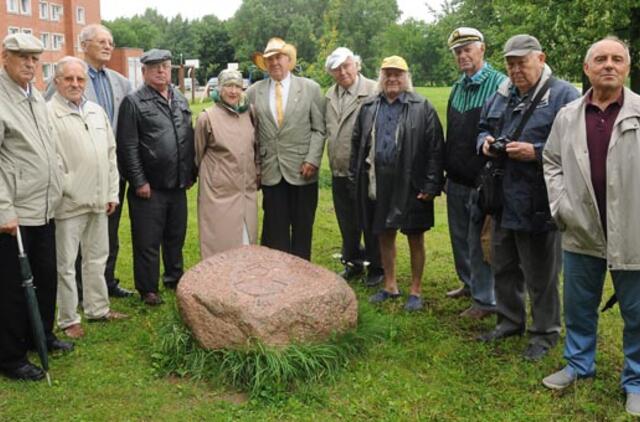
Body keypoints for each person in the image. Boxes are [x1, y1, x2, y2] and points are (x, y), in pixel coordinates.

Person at [541, 37, 640, 416]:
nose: (609, 65)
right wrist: (561, 204)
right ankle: (579, 364)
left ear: (627, 68)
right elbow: (551, 160)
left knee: (637, 311)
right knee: (579, 305)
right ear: (587, 69)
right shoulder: (568, 115)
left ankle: (636, 380)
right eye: (600, 59)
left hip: (633, 229)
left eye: (617, 59)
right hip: (581, 224)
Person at [476, 35, 579, 361]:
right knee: (503, 264)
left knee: (540, 273)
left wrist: (535, 152)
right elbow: (482, 126)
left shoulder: (563, 95)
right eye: (510, 63)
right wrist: (484, 141)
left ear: (541, 58)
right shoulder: (502, 93)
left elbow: (576, 147)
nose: (516, 69)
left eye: (522, 62)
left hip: (539, 200)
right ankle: (509, 321)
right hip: (502, 198)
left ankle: (545, 333)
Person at [0, 33, 72, 382]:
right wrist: (3, 210)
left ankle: (41, 335)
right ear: (5, 57)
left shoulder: (37, 98)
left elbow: (48, 147)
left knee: (45, 276)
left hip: (45, 207)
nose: (30, 64)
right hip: (15, 213)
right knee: (13, 288)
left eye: (35, 58)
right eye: (22, 57)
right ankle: (11, 356)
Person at [350, 56, 444, 312]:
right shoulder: (369, 106)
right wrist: (354, 177)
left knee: (415, 235)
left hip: (412, 183)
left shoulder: (422, 107)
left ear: (406, 77)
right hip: (377, 182)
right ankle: (390, 286)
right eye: (387, 74)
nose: (392, 79)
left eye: (397, 74)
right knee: (384, 233)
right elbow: (357, 145)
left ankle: (415, 290)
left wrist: (431, 185)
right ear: (381, 78)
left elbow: (436, 150)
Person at [45, 24, 133, 298]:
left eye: (111, 41)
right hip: (75, 175)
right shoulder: (67, 77)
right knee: (75, 237)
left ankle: (106, 282)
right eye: (101, 41)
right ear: (84, 45)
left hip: (111, 169)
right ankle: (79, 291)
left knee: (109, 230)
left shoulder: (121, 82)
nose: (108, 46)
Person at [116, 49, 195, 305]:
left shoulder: (180, 98)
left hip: (177, 183)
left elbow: (187, 136)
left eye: (165, 66)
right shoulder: (134, 102)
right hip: (149, 188)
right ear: (144, 72)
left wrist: (190, 173)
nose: (161, 70)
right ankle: (148, 288)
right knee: (147, 241)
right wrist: (139, 181)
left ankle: (173, 277)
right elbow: (127, 146)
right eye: (155, 67)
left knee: (175, 235)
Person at [444, 27, 506, 318]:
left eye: (468, 48)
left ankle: (486, 299)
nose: (462, 55)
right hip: (456, 177)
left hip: (484, 179)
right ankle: (468, 284)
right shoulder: (458, 87)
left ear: (482, 48)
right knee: (460, 237)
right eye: (458, 51)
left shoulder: (500, 84)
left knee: (480, 240)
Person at [246, 37, 325, 260]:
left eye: (278, 57)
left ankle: (301, 276)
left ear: (288, 60)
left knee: (302, 227)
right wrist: (257, 167)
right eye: (269, 60)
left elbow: (319, 129)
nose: (274, 63)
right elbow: (250, 132)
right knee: (275, 228)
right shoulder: (254, 91)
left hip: (303, 169)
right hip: (271, 170)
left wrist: (312, 160)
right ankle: (278, 278)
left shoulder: (310, 89)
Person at [324, 47, 383, 287]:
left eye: (346, 66)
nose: (342, 72)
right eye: (336, 69)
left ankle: (377, 267)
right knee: (346, 221)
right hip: (338, 169)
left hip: (364, 170)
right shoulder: (329, 94)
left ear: (356, 65)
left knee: (369, 220)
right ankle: (353, 262)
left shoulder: (372, 90)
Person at [194, 69, 259, 259]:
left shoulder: (250, 113)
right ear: (220, 88)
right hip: (218, 194)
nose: (233, 91)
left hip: (245, 191)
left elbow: (255, 146)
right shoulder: (207, 118)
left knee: (246, 240)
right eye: (228, 86)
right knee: (219, 241)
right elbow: (198, 153)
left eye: (237, 86)